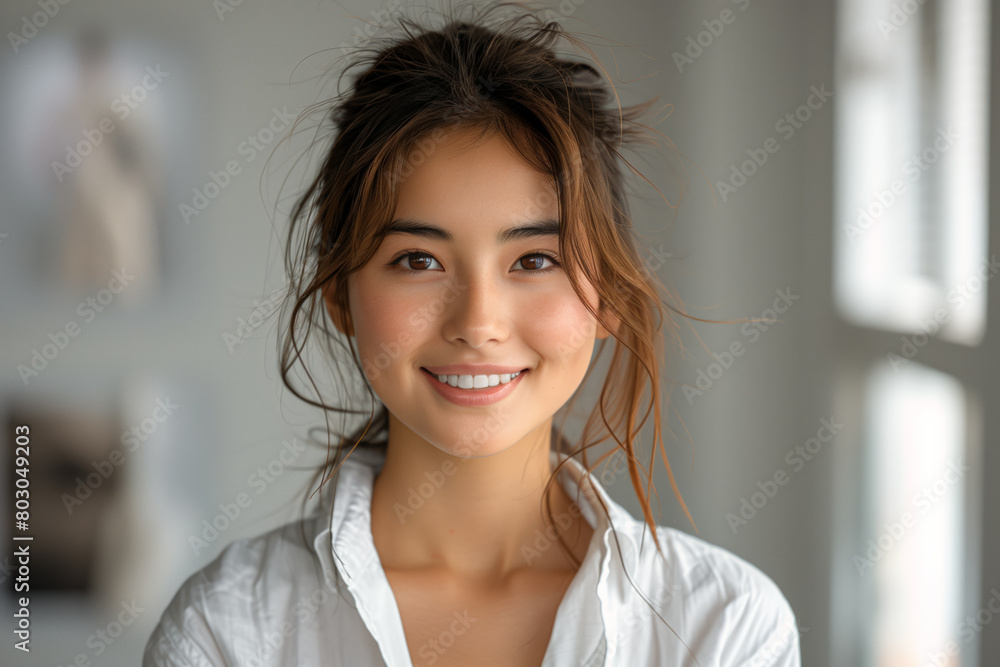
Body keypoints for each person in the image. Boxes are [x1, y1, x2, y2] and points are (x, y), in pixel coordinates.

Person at [144, 2, 802, 665]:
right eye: (418, 260)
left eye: (534, 261)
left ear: (607, 297)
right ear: (341, 293)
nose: (478, 323)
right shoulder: (227, 628)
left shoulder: (724, 626)